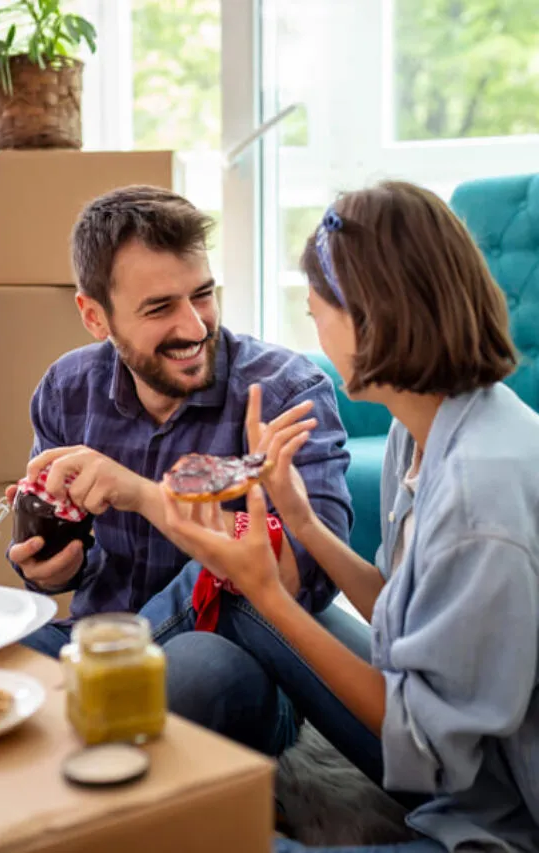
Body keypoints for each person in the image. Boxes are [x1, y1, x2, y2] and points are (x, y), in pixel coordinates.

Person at [153, 181, 539, 852]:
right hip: (459, 754)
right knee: (240, 595)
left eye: (316, 313)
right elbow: (411, 612)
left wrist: (275, 592)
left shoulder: (482, 494)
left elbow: (434, 749)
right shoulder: (423, 426)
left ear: (370, 319)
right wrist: (302, 523)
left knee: (194, 838)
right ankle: (88, 676)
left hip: (495, 818)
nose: (315, 336)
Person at [8, 185, 353, 755]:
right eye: (160, 308)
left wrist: (145, 495)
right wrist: (48, 569)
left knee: (191, 674)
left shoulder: (286, 390)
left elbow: (314, 575)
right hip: (94, 637)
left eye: (203, 295)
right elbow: (63, 562)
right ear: (95, 316)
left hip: (230, 656)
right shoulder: (66, 389)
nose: (194, 327)